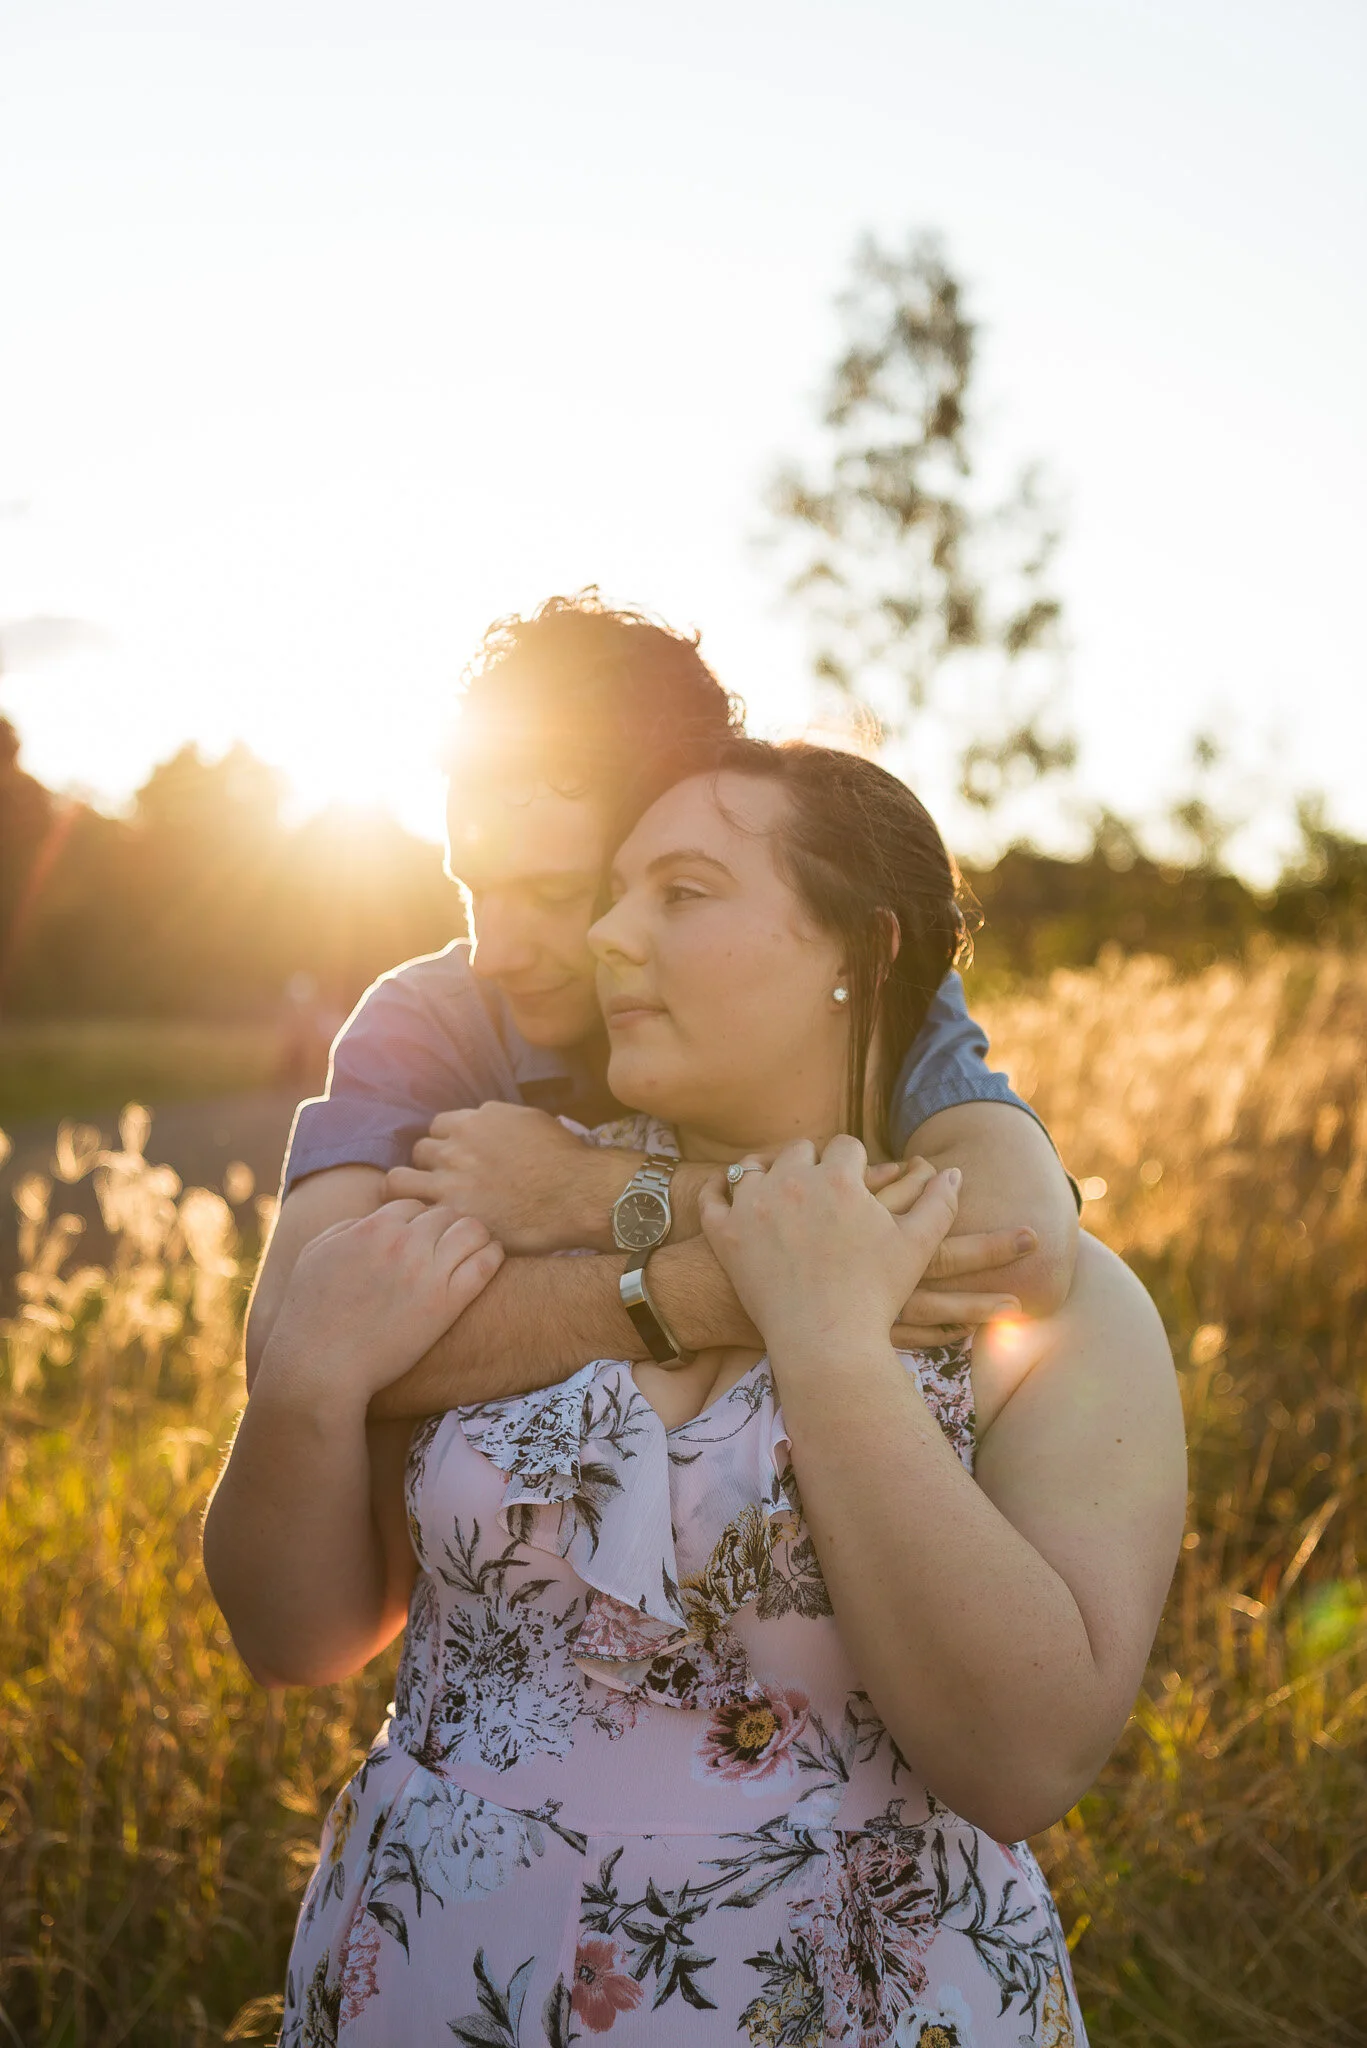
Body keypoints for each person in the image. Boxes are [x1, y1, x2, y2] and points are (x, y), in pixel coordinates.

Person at [204, 739, 1185, 2046]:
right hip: (433, 1970)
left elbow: (1022, 1761)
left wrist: (829, 1346)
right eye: (609, 892)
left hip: (849, 1992)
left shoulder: (1039, 1301)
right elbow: (294, 1635)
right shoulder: (498, 1199)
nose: (606, 934)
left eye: (679, 890)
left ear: (861, 951)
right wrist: (310, 1395)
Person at [243, 594, 1081, 1431]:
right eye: (474, 888)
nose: (493, 953)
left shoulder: (825, 969)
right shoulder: (433, 1020)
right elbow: (295, 1349)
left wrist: (591, 1194)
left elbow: (1014, 1244)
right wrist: (714, 1288)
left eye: (554, 892)